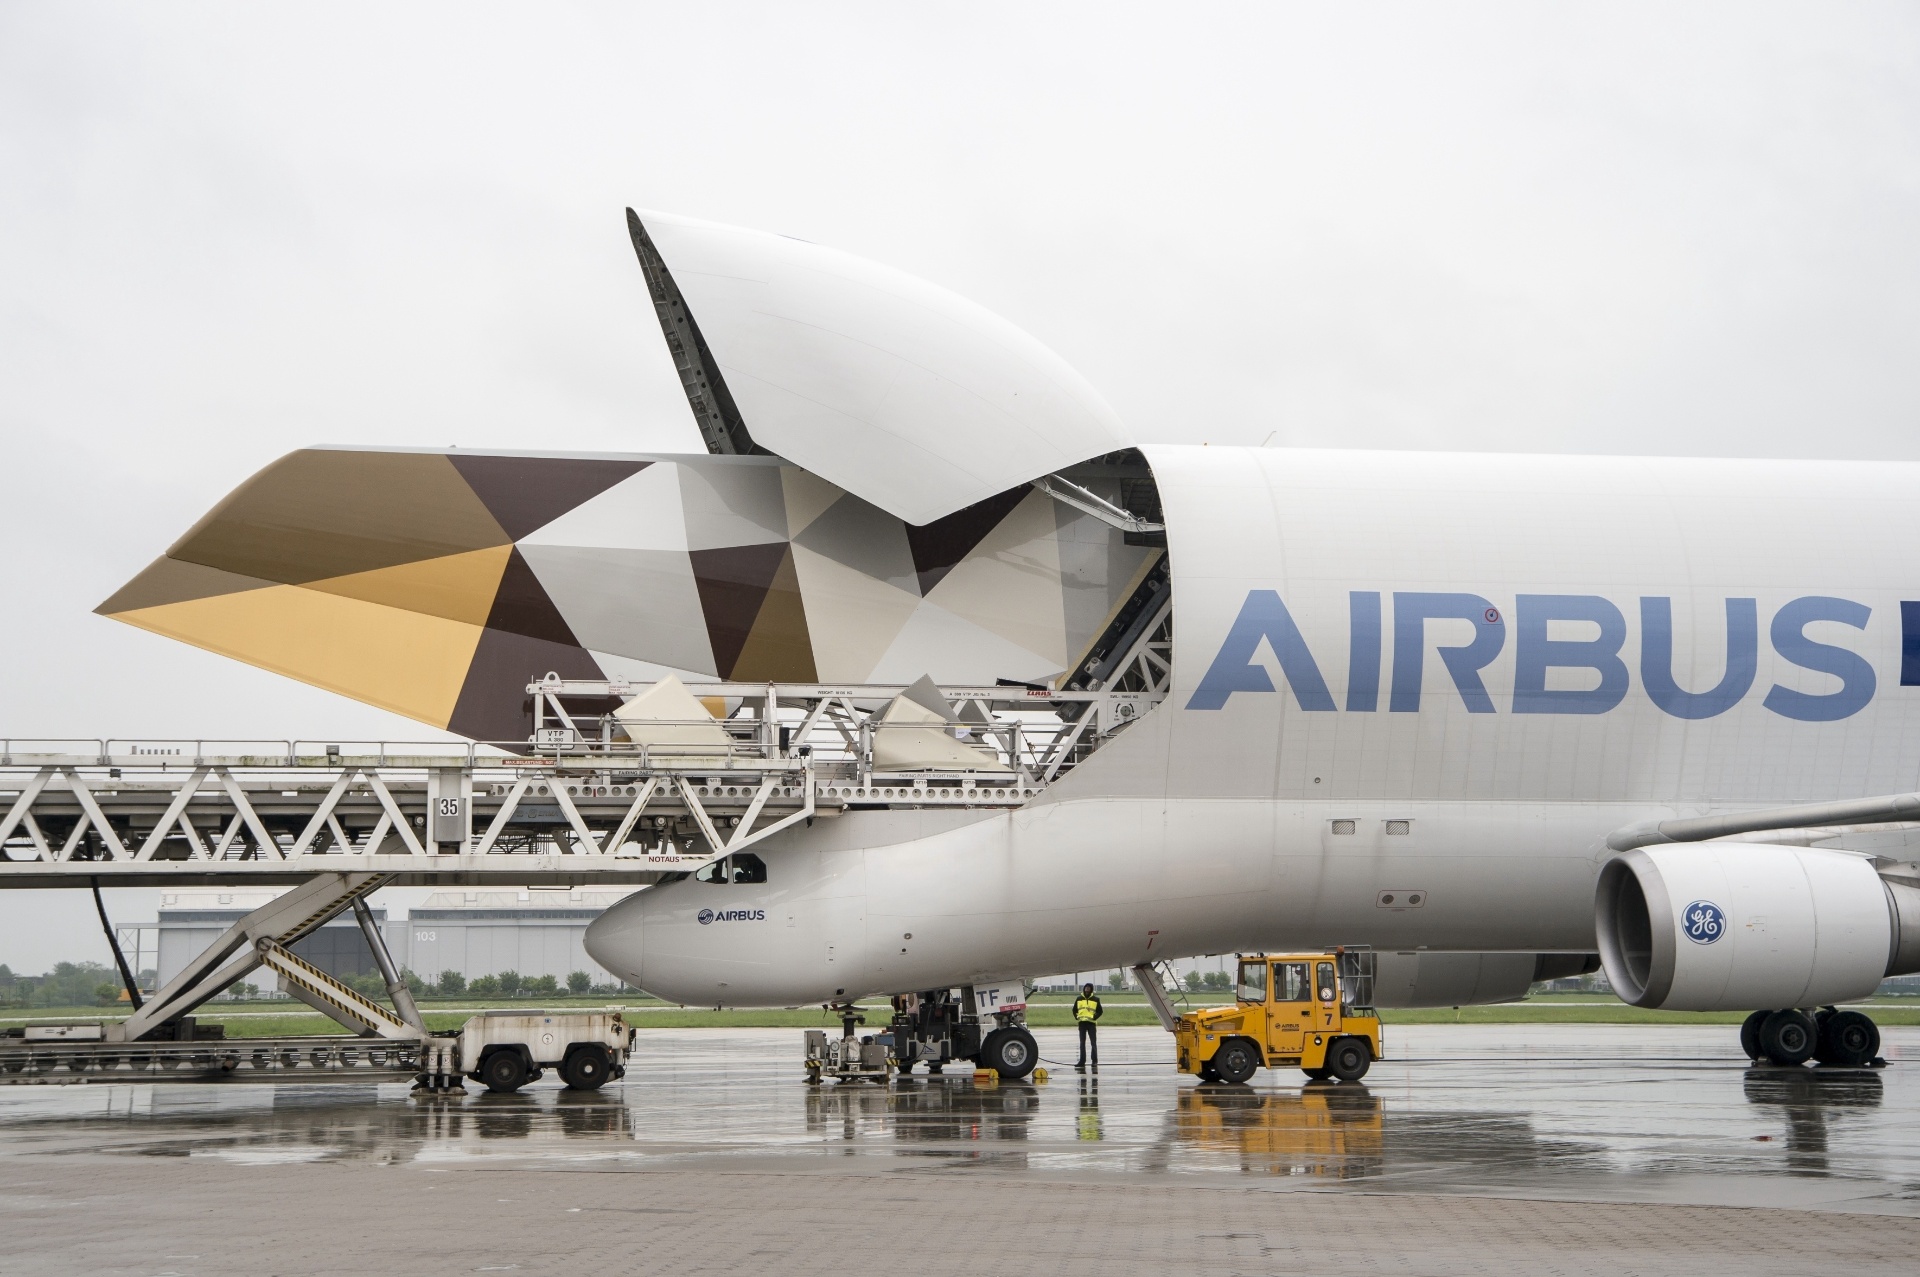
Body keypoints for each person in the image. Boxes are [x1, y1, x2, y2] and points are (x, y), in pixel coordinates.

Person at [1073, 982, 1103, 1069]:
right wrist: (1077, 1017)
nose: (1087, 989)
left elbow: (1100, 1011)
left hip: (1091, 1023)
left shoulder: (1096, 999)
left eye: (1088, 988)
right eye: (1086, 987)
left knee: (1093, 1043)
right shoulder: (1079, 998)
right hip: (1082, 1023)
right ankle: (1082, 1061)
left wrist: (1094, 1017)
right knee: (1082, 1043)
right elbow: (1074, 1010)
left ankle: (1094, 1061)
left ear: (1091, 989)